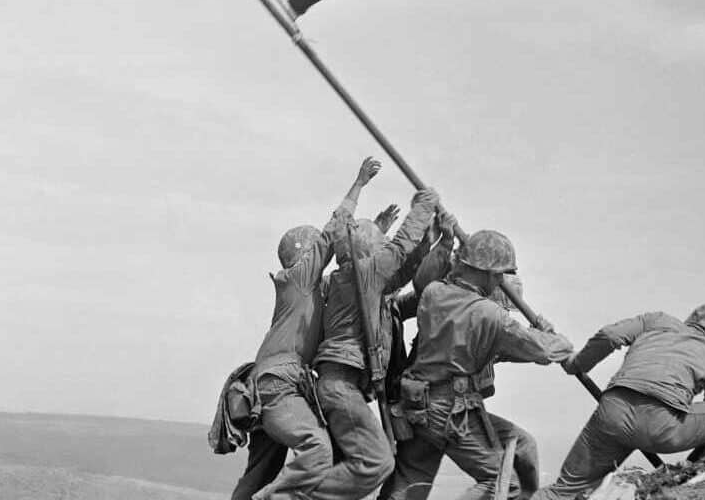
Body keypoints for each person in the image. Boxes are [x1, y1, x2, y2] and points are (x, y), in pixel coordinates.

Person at [382, 221, 574, 500]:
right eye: (499, 275)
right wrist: (559, 341)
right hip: (451, 409)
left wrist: (447, 241)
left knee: (410, 483)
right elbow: (540, 349)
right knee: (501, 483)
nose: (500, 282)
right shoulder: (489, 315)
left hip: (416, 404)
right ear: (487, 273)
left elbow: (502, 349)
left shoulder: (434, 294)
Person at [234, 157, 382, 500]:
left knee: (259, 472)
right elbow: (333, 233)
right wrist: (358, 185)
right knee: (318, 450)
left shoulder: (309, 290)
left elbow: (353, 265)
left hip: (276, 385)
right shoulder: (299, 279)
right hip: (279, 386)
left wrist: (377, 229)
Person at [309, 181, 441, 500]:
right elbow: (399, 249)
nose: (384, 251)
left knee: (353, 465)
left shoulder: (356, 280)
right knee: (378, 462)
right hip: (341, 386)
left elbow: (404, 269)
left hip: (345, 386)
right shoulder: (363, 273)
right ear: (368, 251)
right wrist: (423, 206)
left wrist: (432, 239)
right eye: (379, 246)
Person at [534, 304, 705, 500]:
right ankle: (694, 482)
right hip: (661, 426)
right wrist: (689, 470)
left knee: (562, 491)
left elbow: (611, 335)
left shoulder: (657, 321)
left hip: (612, 413)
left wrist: (576, 364)